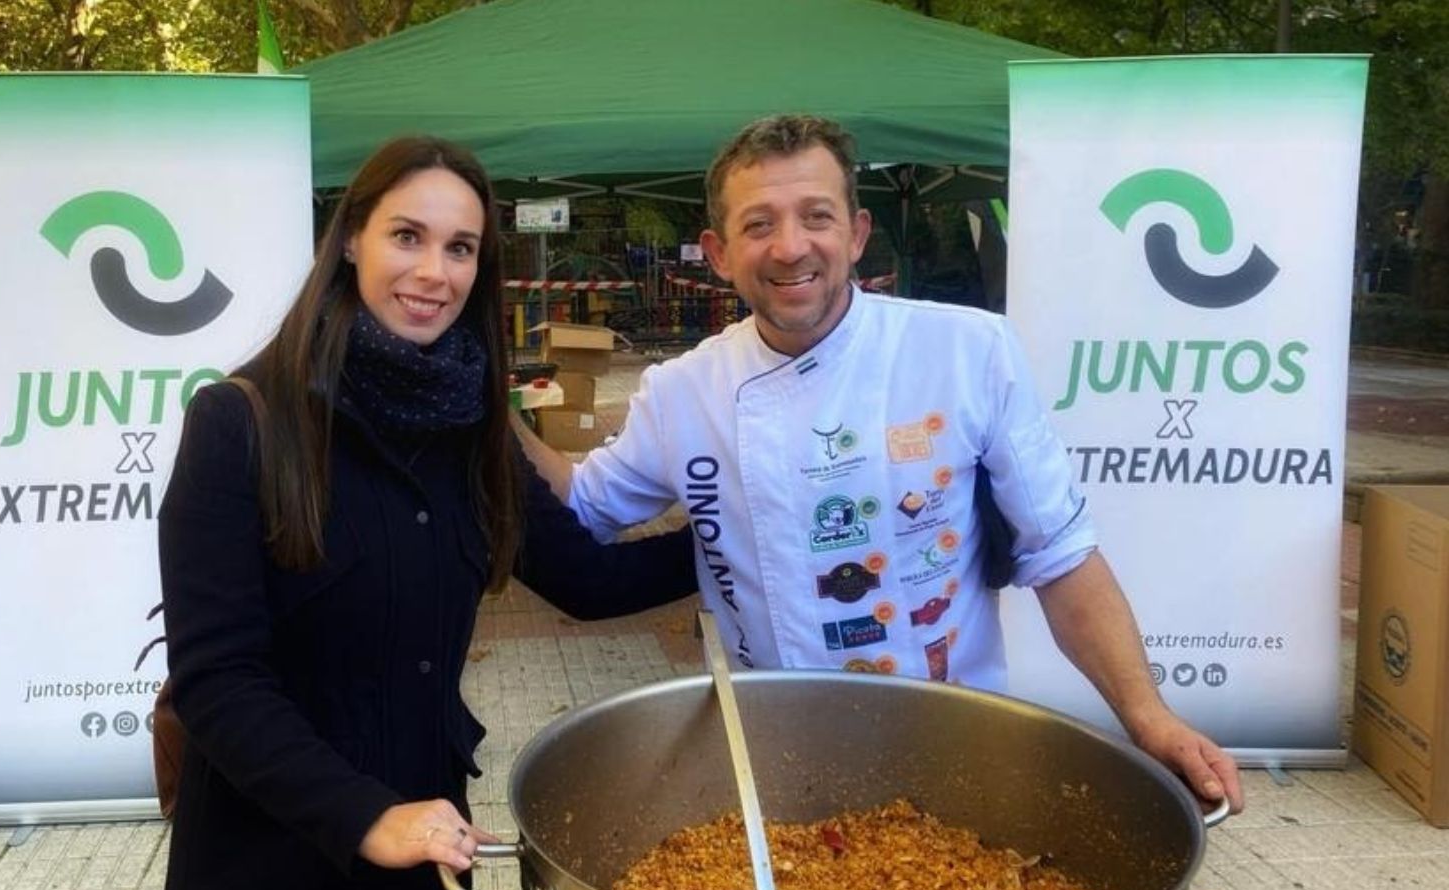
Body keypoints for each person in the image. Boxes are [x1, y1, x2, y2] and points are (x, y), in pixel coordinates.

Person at [518, 114, 1244, 814]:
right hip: (770, 751)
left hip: (953, 741)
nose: (790, 247)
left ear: (858, 233)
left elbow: (1061, 555)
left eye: (817, 216)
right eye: (759, 224)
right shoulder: (683, 392)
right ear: (718, 251)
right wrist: (492, 414)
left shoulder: (968, 353)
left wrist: (1149, 717)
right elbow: (583, 503)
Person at [152, 137, 696, 890]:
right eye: (408, 236)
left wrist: (733, 540)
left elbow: (586, 581)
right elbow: (219, 684)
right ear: (352, 240)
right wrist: (369, 816)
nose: (433, 271)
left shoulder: (470, 423)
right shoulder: (238, 424)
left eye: (460, 247)